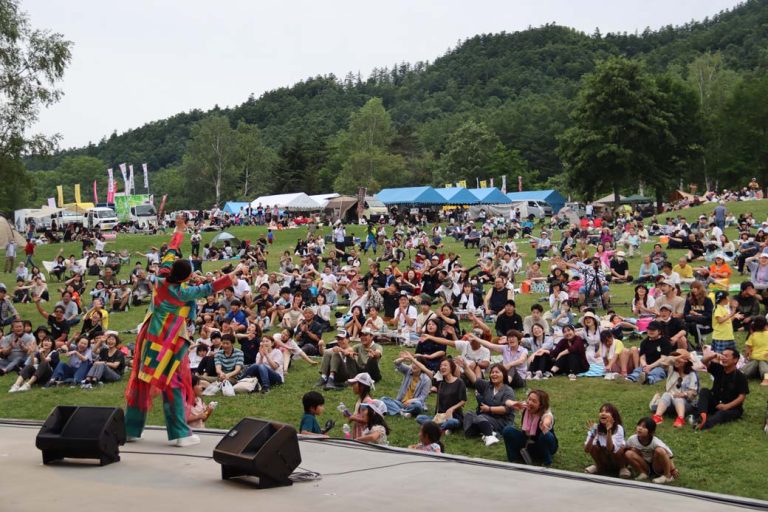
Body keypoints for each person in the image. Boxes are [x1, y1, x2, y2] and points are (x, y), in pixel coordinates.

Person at [125, 215, 242, 447]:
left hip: (149, 338)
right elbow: (209, 287)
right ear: (188, 277)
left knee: (142, 380)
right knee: (174, 383)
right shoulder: (182, 293)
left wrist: (180, 230)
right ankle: (179, 432)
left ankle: (130, 428)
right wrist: (234, 274)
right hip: (169, 342)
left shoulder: (161, 278)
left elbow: (170, 250)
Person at [460, 362, 516, 447]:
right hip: (487, 417)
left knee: (480, 417)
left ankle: (489, 436)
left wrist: (489, 409)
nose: (494, 374)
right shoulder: (487, 386)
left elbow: (506, 409)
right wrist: (465, 367)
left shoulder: (508, 390)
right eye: (492, 372)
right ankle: (488, 431)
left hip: (502, 420)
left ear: (504, 375)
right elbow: (475, 379)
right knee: (469, 414)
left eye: (497, 372)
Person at [693, 348, 749, 431]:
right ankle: (701, 416)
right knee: (704, 391)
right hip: (716, 402)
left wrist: (727, 406)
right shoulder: (719, 368)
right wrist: (714, 355)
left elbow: (742, 396)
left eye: (726, 356)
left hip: (732, 408)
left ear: (735, 359)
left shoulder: (741, 376)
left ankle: (704, 425)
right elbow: (703, 361)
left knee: (721, 414)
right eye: (722, 355)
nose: (723, 358)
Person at [501, 389, 557, 466]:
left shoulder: (546, 413)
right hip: (529, 443)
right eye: (529, 399)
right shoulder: (526, 406)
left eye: (534, 401)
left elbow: (548, 418)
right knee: (508, 430)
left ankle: (546, 460)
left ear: (540, 405)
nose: (530, 402)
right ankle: (513, 459)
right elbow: (507, 402)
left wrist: (545, 425)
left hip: (543, 445)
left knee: (546, 435)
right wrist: (514, 403)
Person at [416, 358, 467, 433]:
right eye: (441, 366)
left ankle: (436, 428)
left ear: (451, 368)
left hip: (453, 417)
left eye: (445, 365)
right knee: (419, 418)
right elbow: (424, 369)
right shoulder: (439, 381)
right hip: (439, 417)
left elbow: (463, 401)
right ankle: (443, 428)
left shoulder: (459, 382)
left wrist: (452, 409)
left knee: (452, 422)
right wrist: (411, 358)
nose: (442, 367)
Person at [624, 417, 677, 484]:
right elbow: (625, 448)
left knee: (660, 450)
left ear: (651, 432)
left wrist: (673, 469)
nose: (640, 428)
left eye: (644, 427)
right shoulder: (632, 439)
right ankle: (643, 473)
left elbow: (669, 455)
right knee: (628, 453)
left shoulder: (655, 442)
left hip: (656, 465)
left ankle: (667, 476)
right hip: (644, 464)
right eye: (639, 425)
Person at [584, 403, 629, 478]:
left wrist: (609, 431)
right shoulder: (595, 428)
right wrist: (592, 436)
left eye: (607, 411)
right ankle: (599, 466)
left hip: (616, 459)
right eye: (601, 411)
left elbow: (610, 449)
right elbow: (587, 450)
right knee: (593, 446)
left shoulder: (618, 428)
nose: (603, 413)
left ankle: (622, 468)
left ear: (613, 416)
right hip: (604, 458)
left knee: (620, 449)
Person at [380, 351, 432, 417]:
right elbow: (396, 363)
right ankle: (403, 413)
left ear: (422, 366)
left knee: (418, 406)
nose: (414, 365)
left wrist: (410, 401)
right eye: (413, 363)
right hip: (401, 402)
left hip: (413, 404)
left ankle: (396, 410)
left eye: (416, 364)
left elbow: (422, 398)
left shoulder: (426, 380)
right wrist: (404, 358)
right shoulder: (408, 371)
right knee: (383, 399)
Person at [742, 316, 768, 385]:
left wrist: (745, 358)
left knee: (750, 366)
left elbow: (747, 350)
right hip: (765, 359)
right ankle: (766, 379)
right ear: (766, 325)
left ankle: (742, 376)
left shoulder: (752, 336)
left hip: (755, 358)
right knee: (764, 367)